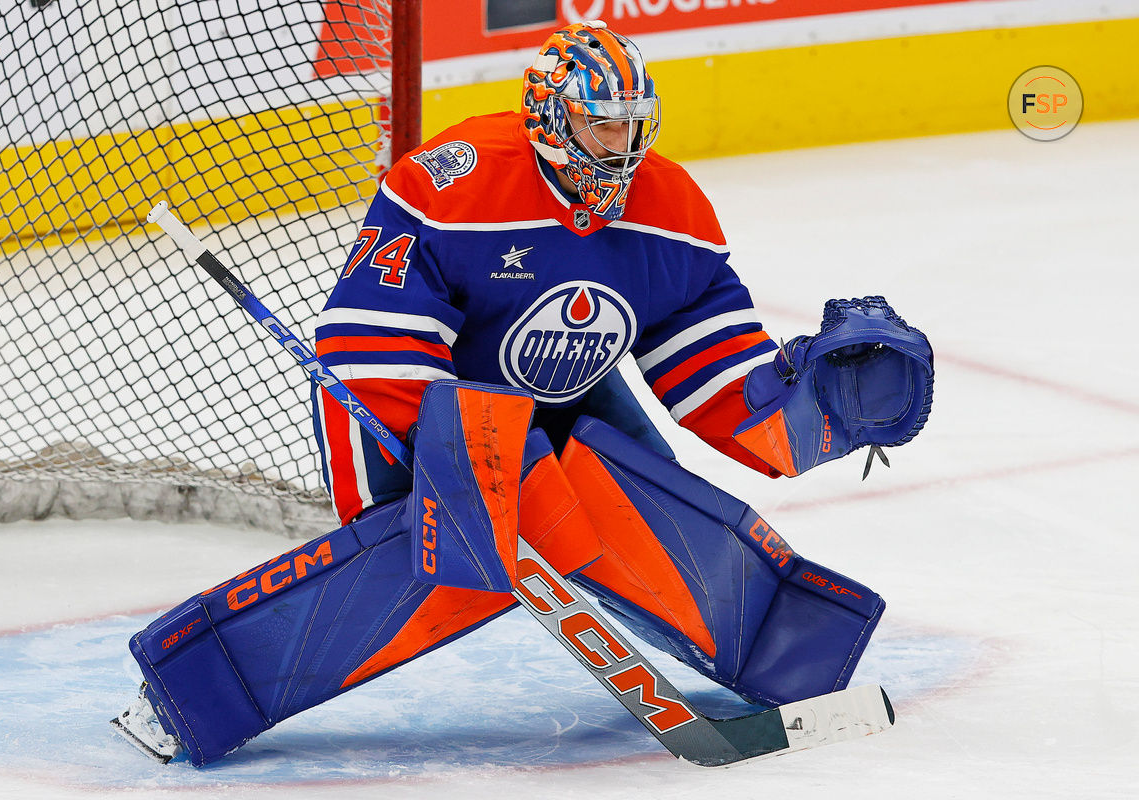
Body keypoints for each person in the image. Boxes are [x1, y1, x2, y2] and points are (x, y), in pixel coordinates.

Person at [114, 21, 932, 767]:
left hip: (563, 398)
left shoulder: (670, 213)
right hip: (421, 404)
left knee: (641, 518)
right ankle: (189, 696)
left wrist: (814, 408)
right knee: (438, 563)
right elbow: (368, 343)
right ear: (549, 118)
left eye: (632, 123)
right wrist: (461, 461)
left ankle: (796, 655)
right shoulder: (456, 182)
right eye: (600, 123)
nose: (622, 145)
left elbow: (712, 371)